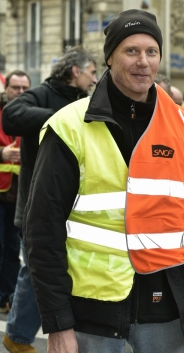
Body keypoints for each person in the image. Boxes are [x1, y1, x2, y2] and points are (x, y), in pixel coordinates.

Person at [23, 9, 184, 353]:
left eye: (151, 52)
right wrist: (58, 324)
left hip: (168, 314)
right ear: (109, 57)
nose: (143, 62)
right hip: (91, 316)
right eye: (131, 51)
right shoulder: (69, 126)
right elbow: (42, 232)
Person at [2, 47, 97, 353]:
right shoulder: (42, 94)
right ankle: (16, 336)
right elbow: (11, 115)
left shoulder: (87, 100)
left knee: (65, 271)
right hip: (37, 202)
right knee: (34, 270)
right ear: (75, 72)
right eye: (91, 73)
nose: (94, 79)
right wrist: (67, 119)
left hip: (76, 203)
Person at [0, 70, 29, 314]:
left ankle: (5, 296)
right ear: (6, 89)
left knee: (12, 247)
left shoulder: (30, 116)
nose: (20, 93)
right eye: (15, 88)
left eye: (24, 89)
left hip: (20, 193)